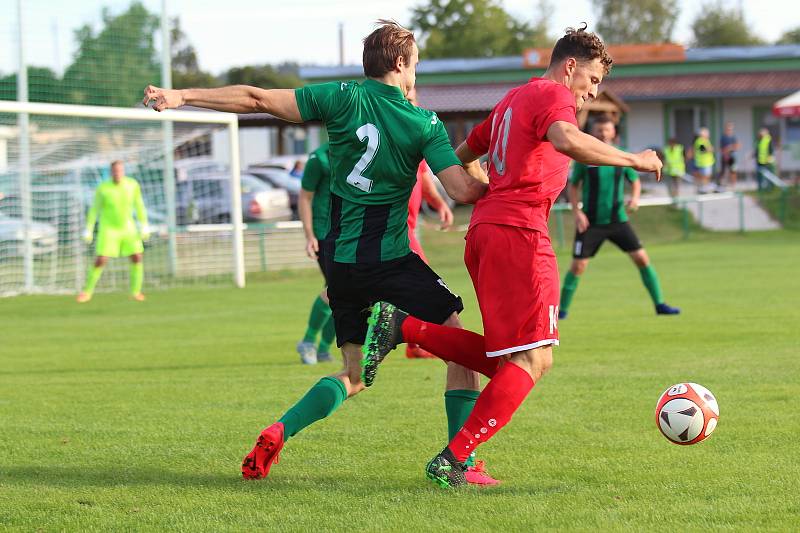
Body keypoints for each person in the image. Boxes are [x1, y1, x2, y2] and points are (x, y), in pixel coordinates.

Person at [143, 20, 498, 485]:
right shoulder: (423, 122)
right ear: (399, 64)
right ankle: (461, 463)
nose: (417, 76)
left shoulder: (341, 97)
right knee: (455, 338)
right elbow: (463, 190)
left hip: (341, 264)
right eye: (416, 66)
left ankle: (279, 429)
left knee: (352, 374)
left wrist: (181, 96)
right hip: (389, 257)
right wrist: (489, 163)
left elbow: (257, 99)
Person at [361, 24, 662, 488]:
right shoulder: (552, 96)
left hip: (487, 232)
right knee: (535, 360)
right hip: (519, 234)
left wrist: (485, 186)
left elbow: (459, 153)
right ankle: (453, 458)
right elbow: (566, 139)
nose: (592, 92)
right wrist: (634, 159)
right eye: (594, 80)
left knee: (512, 361)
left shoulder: (511, 101)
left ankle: (402, 327)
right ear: (570, 66)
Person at [558, 115, 680, 320]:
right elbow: (574, 186)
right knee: (578, 266)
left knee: (642, 258)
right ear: (592, 131)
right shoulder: (585, 158)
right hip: (591, 222)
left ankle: (660, 304)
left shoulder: (621, 157)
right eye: (598, 130)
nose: (603, 133)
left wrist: (635, 198)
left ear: (613, 132)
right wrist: (577, 212)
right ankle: (561, 312)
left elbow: (635, 181)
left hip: (618, 220)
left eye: (606, 130)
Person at [405, 87, 455, 359]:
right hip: (394, 227)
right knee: (425, 283)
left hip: (408, 227)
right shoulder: (393, 130)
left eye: (413, 99)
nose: (410, 103)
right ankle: (417, 342)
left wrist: (439, 204)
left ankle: (415, 343)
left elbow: (423, 177)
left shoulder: (417, 133)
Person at [77, 160, 149, 303]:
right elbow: (94, 209)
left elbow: (139, 205)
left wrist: (144, 225)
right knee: (101, 259)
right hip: (108, 229)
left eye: (120, 170)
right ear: (111, 172)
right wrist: (89, 229)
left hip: (128, 227)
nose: (117, 173)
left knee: (137, 256)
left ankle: (136, 292)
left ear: (123, 171)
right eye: (115, 171)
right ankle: (87, 292)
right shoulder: (103, 188)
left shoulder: (132, 185)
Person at [296, 143, 336, 365]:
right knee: (338, 290)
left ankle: (322, 348)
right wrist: (309, 235)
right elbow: (304, 197)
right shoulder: (319, 158)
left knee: (351, 296)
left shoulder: (359, 151)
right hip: (325, 234)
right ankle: (309, 341)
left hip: (349, 233)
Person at [692, 127, 715, 193]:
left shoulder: (706, 140)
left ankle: (704, 188)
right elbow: (702, 149)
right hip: (703, 163)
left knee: (707, 176)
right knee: (704, 176)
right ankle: (702, 189)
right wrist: (710, 149)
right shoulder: (699, 140)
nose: (708, 135)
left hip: (707, 162)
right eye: (707, 134)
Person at [717, 122, 740, 190]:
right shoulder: (723, 137)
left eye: (730, 128)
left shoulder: (734, 137)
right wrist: (725, 153)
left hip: (732, 156)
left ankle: (733, 185)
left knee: (733, 170)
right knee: (723, 171)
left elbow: (737, 146)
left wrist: (731, 148)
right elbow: (720, 148)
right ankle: (721, 184)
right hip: (724, 156)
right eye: (728, 128)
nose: (729, 129)